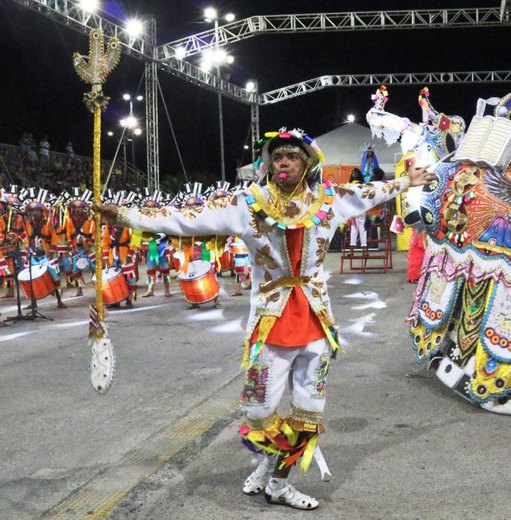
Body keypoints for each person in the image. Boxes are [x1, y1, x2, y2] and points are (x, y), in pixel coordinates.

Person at [95, 128, 435, 510]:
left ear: (307, 163)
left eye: (292, 156)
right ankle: (268, 460)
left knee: (310, 412)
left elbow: (372, 191)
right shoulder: (247, 203)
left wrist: (407, 180)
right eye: (277, 157)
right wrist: (125, 215)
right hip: (269, 324)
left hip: (316, 323)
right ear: (269, 164)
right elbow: (187, 218)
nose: (284, 162)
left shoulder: (330, 199)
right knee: (257, 409)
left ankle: (277, 482)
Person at [346, 168, 368, 251]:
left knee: (362, 228)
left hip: (361, 207)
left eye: (355, 173)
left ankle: (364, 247)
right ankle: (352, 248)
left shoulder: (362, 184)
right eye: (353, 173)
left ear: (358, 174)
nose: (354, 175)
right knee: (354, 228)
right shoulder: (349, 184)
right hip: (353, 208)